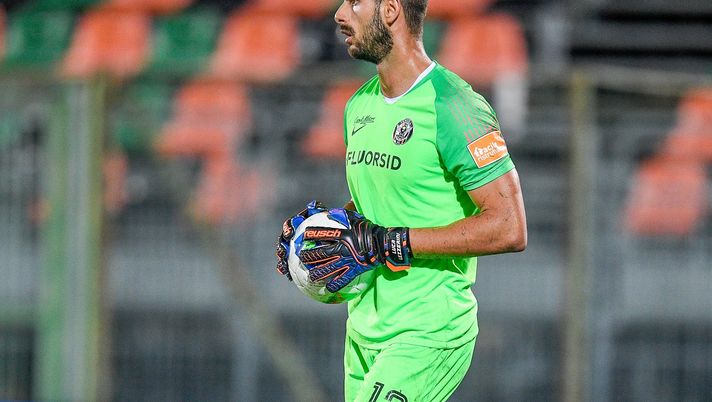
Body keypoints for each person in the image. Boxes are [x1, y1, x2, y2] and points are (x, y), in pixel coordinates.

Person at [276, 0, 528, 400]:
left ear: (391, 9)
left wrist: (391, 242)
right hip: (363, 332)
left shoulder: (454, 105)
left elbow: (509, 226)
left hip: (426, 333)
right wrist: (320, 233)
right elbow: (378, 210)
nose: (340, 14)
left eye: (355, 2)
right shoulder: (359, 105)